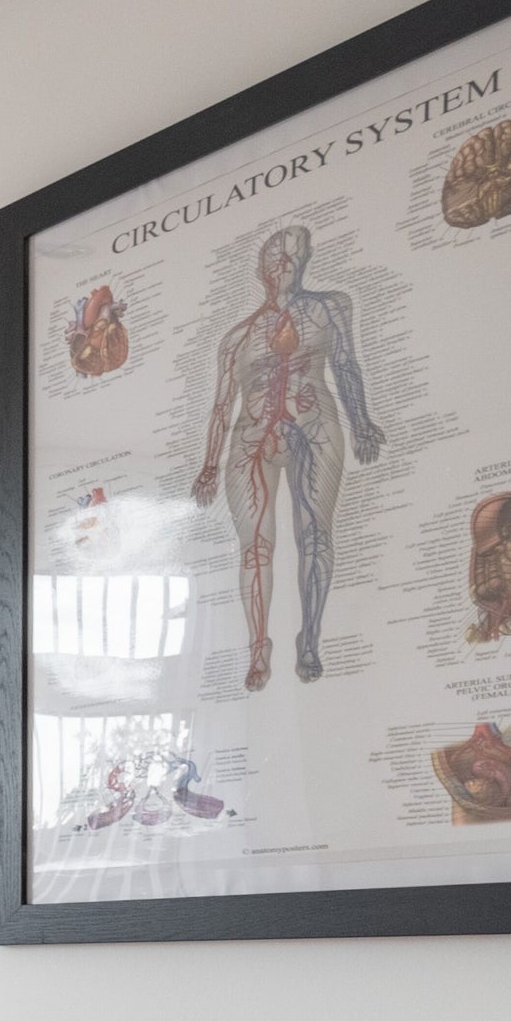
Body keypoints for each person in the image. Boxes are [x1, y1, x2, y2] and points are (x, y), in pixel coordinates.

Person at [190, 223, 385, 689]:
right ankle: (260, 646)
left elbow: (345, 364)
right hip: (251, 438)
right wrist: (209, 465)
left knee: (315, 534)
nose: (285, 264)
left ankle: (311, 636)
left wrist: (361, 421)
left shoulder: (329, 308)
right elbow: (221, 406)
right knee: (256, 546)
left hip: (313, 424)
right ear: (262, 269)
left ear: (305, 262)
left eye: (293, 256)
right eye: (276, 257)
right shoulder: (237, 338)